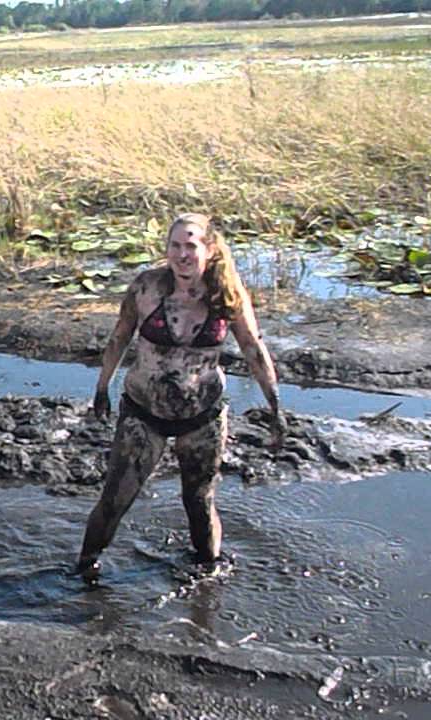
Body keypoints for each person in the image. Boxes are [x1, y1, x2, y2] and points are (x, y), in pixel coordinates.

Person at [76, 212, 284, 583]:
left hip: (202, 416)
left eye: (191, 246)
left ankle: (208, 575)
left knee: (199, 502)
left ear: (209, 249)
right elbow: (119, 338)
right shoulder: (146, 288)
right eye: (175, 245)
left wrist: (275, 408)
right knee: (115, 500)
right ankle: (83, 570)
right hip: (144, 413)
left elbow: (253, 348)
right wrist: (101, 388)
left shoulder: (227, 293)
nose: (182, 254)